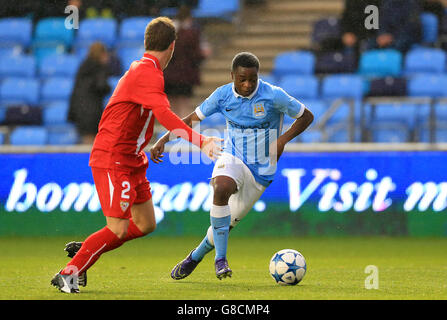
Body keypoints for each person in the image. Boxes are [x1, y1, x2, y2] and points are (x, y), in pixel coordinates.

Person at [51, 17, 222, 294]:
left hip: (132, 158)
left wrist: (153, 143)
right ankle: (68, 274)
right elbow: (164, 114)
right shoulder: (148, 73)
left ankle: (88, 249)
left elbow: (143, 118)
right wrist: (200, 141)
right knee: (118, 228)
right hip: (113, 157)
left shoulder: (144, 70)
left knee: (145, 224)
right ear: (172, 47)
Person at [150, 52, 314, 280]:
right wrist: (163, 139)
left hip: (261, 172)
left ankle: (195, 257)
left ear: (258, 77)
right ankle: (221, 260)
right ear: (232, 76)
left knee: (225, 226)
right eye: (242, 79)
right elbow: (190, 120)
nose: (247, 85)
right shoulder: (222, 95)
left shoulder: (274, 96)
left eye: (252, 80)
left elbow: (307, 116)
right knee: (221, 186)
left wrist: (282, 140)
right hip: (233, 156)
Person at [163, 5, 209, 119]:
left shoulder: (168, 33)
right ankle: (184, 133)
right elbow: (196, 54)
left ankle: (174, 132)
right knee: (184, 104)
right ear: (189, 18)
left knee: (172, 105)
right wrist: (204, 55)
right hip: (185, 74)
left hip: (169, 74)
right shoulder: (192, 34)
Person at [68, 42, 111, 144]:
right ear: (102, 54)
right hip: (92, 113)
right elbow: (101, 86)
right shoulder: (99, 68)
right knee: (91, 145)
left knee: (86, 140)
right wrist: (109, 88)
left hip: (79, 111)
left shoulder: (83, 67)